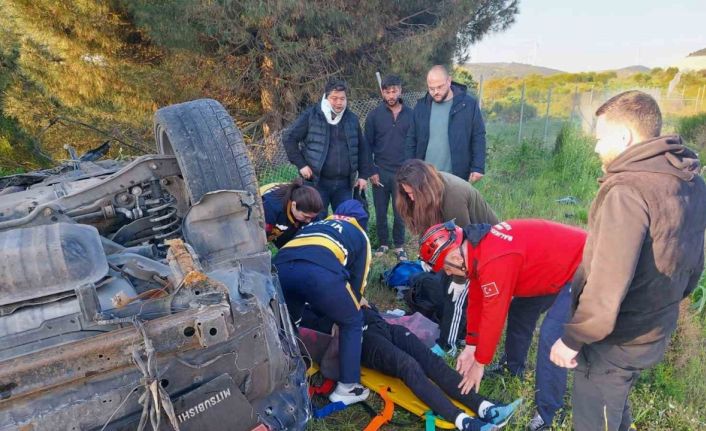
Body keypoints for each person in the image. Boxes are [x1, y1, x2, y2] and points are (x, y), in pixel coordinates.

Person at [549, 90, 706, 431]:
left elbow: (607, 282)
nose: (595, 147)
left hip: (616, 337)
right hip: (656, 326)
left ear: (624, 137)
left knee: (596, 419)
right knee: (614, 405)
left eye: (600, 137)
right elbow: (694, 262)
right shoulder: (690, 181)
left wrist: (574, 338)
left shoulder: (627, 191)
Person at [418, 220, 587, 430]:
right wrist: (471, 346)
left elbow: (494, 316)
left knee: (551, 335)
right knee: (520, 311)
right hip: (555, 268)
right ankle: (512, 368)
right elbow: (477, 300)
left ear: (455, 257)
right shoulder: (476, 250)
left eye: (447, 269)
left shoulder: (494, 260)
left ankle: (550, 414)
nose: (449, 274)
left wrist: (480, 363)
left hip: (586, 266)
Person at [359, 303, 522, 431]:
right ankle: (464, 422)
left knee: (429, 358)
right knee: (407, 365)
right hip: (361, 335)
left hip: (379, 323)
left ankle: (485, 408)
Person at [273, 199, 372, 406]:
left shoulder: (318, 223)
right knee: (352, 321)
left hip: (280, 266)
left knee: (288, 324)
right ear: (362, 222)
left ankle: (286, 376)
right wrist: (347, 307)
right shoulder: (359, 234)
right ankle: (348, 387)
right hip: (318, 272)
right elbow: (358, 281)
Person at [396, 159, 498, 352]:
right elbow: (431, 232)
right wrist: (428, 259)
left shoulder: (453, 197)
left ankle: (450, 343)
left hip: (483, 248)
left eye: (413, 194)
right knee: (434, 284)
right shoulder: (430, 191)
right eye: (407, 194)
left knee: (455, 291)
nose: (411, 199)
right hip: (458, 246)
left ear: (423, 188)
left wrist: (457, 280)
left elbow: (463, 247)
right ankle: (454, 322)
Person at [283, 78, 373, 218]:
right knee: (317, 222)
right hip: (317, 183)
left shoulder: (352, 119)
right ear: (326, 97)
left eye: (342, 99)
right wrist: (301, 165)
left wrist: (363, 176)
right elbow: (289, 139)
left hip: (344, 185)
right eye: (334, 98)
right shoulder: (311, 116)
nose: (339, 103)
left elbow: (362, 148)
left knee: (345, 222)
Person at [405, 65, 486, 183]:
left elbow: (478, 135)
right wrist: (409, 169)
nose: (436, 92)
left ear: (449, 81)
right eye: (431, 88)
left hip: (457, 177)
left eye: (440, 87)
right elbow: (411, 139)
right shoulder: (421, 107)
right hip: (426, 177)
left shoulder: (468, 105)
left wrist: (478, 167)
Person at [364, 74, 413, 261]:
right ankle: (383, 243)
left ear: (400, 91)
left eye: (394, 91)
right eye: (387, 92)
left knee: (401, 210)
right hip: (380, 171)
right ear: (382, 92)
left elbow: (415, 143)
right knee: (380, 209)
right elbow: (367, 146)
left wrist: (412, 171)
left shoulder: (411, 115)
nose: (391, 95)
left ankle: (399, 245)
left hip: (403, 172)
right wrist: (372, 170)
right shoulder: (374, 116)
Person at [262, 179, 323, 248]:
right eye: (306, 216)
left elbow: (317, 230)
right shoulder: (270, 209)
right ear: (294, 205)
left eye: (312, 217)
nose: (308, 221)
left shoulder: (309, 208)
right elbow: (261, 237)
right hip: (261, 220)